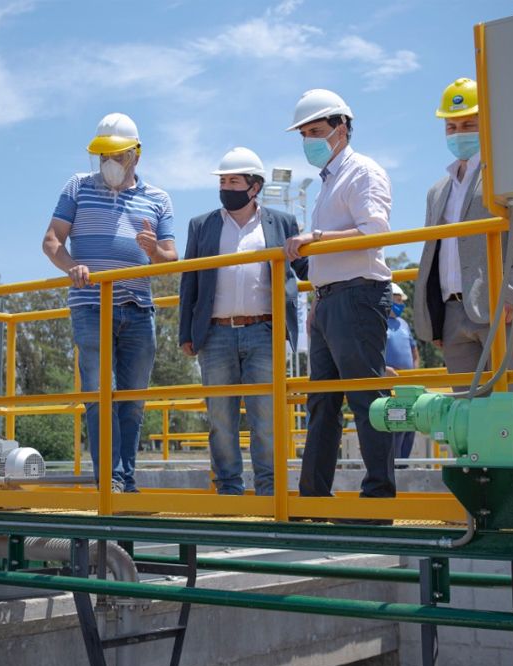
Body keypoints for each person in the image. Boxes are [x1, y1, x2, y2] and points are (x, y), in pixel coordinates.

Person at [42, 113, 177, 492]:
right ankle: (110, 481)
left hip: (138, 308)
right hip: (90, 305)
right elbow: (52, 241)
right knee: (100, 394)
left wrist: (154, 251)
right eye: (103, 156)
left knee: (132, 399)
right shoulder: (78, 186)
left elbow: (171, 258)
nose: (109, 164)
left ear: (136, 155)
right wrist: (71, 266)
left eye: (117, 156)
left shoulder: (158, 199)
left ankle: (125, 479)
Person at [281, 89, 396, 505]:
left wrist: (316, 238)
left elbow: (376, 232)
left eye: (316, 131)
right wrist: (318, 300)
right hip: (330, 300)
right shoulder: (329, 182)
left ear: (341, 128)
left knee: (366, 399)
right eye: (304, 134)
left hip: (359, 294)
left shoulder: (362, 172)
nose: (309, 140)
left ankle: (378, 498)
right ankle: (313, 496)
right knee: (322, 403)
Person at [178, 147, 308, 496]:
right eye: (222, 181)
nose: (226, 187)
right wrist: (186, 332)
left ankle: (270, 493)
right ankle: (229, 493)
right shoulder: (201, 225)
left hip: (264, 332)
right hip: (215, 335)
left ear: (255, 186)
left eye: (233, 181)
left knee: (266, 419)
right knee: (221, 420)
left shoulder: (282, 222)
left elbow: (305, 269)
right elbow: (189, 282)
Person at [412, 78, 513, 391]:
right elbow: (435, 255)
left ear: (487, 125)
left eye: (468, 124)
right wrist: (435, 316)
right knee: (466, 409)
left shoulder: (506, 174)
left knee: (512, 401)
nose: (459, 133)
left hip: (498, 306)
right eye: (452, 126)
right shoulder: (437, 191)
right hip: (452, 312)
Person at [384, 283, 418, 460]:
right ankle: (394, 465)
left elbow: (414, 352)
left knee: (410, 424)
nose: (400, 305)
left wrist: (414, 374)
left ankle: (403, 463)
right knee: (395, 423)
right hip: (388, 383)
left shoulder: (404, 324)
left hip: (406, 384)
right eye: (396, 301)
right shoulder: (379, 322)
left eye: (401, 301)